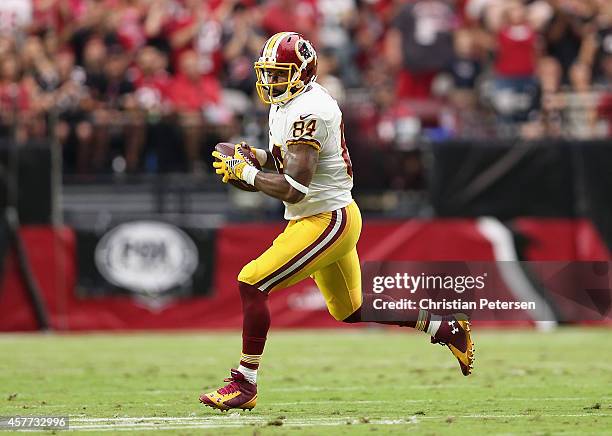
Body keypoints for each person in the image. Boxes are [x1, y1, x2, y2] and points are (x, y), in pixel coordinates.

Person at [200, 31, 475, 412]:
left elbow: (295, 185)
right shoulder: (287, 103)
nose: (270, 81)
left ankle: (244, 383)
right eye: (269, 72)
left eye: (280, 73)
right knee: (350, 309)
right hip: (319, 215)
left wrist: (244, 172)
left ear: (302, 73)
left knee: (252, 281)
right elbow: (286, 163)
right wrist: (255, 160)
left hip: (326, 219)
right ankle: (444, 328)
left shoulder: (310, 109)